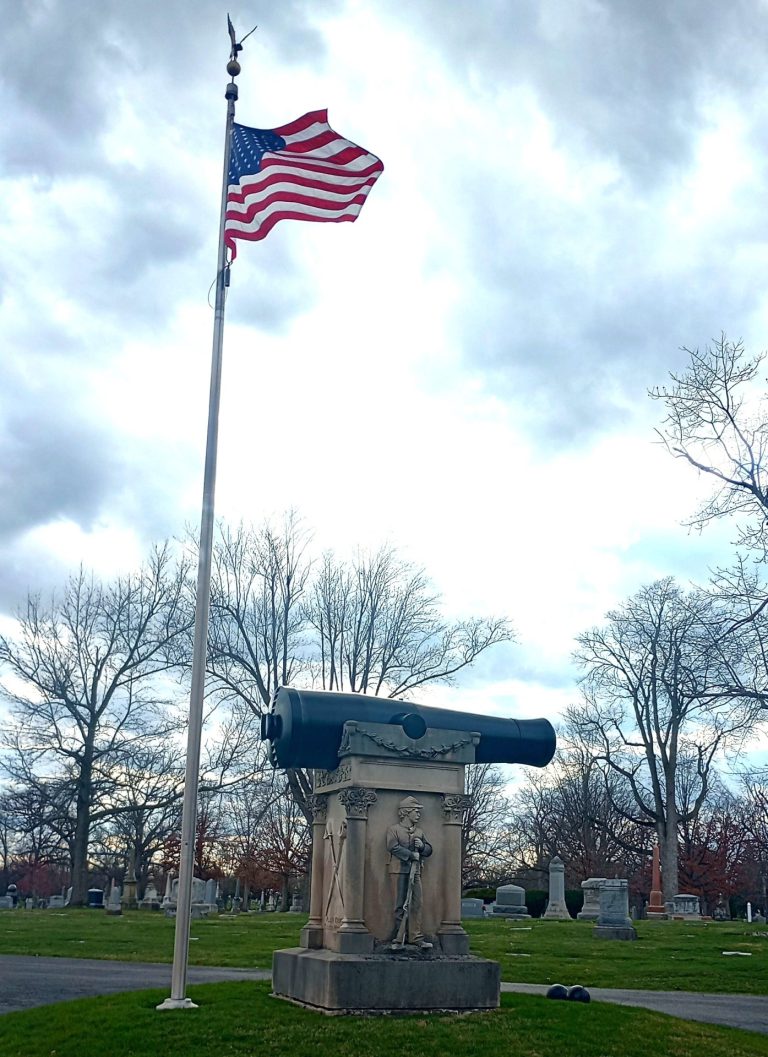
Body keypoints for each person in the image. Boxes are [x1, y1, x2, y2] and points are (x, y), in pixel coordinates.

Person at [386, 795, 433, 949]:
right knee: (400, 904)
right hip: (398, 871)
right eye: (416, 811)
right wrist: (411, 855)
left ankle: (415, 937)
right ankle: (399, 938)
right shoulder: (394, 830)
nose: (418, 815)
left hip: (416, 872)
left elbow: (429, 849)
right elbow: (392, 846)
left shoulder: (419, 832)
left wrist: (421, 847)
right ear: (406, 812)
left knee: (416, 904)